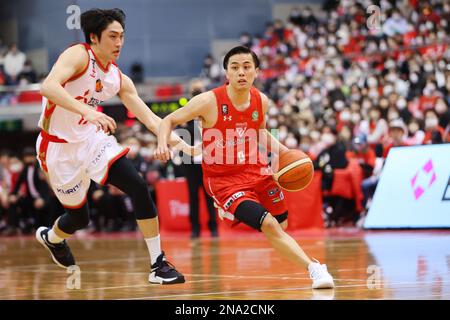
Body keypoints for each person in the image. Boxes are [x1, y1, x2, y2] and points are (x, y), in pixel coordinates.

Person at [156, 46, 334, 289]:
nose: (241, 72)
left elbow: (259, 132)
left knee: (281, 225)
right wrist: (162, 144)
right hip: (224, 181)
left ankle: (232, 211)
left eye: (246, 67)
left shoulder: (262, 100)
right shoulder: (208, 101)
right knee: (269, 224)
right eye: (235, 67)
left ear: (256, 72)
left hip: (257, 172)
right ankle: (315, 269)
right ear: (226, 73)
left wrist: (284, 153)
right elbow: (168, 120)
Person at [35, 8, 192, 285]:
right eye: (112, 36)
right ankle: (52, 238)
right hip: (58, 148)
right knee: (79, 219)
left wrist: (179, 141)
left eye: (122, 37)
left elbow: (152, 119)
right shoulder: (79, 55)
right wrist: (89, 111)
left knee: (137, 184)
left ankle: (158, 264)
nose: (119, 43)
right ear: (94, 37)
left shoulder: (117, 78)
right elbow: (49, 87)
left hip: (92, 140)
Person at [179, 79, 218, 239]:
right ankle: (195, 228)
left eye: (199, 90)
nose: (197, 93)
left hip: (207, 161)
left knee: (210, 196)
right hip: (190, 162)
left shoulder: (209, 107)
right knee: (192, 196)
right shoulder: (187, 109)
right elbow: (181, 125)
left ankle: (213, 227)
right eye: (195, 91)